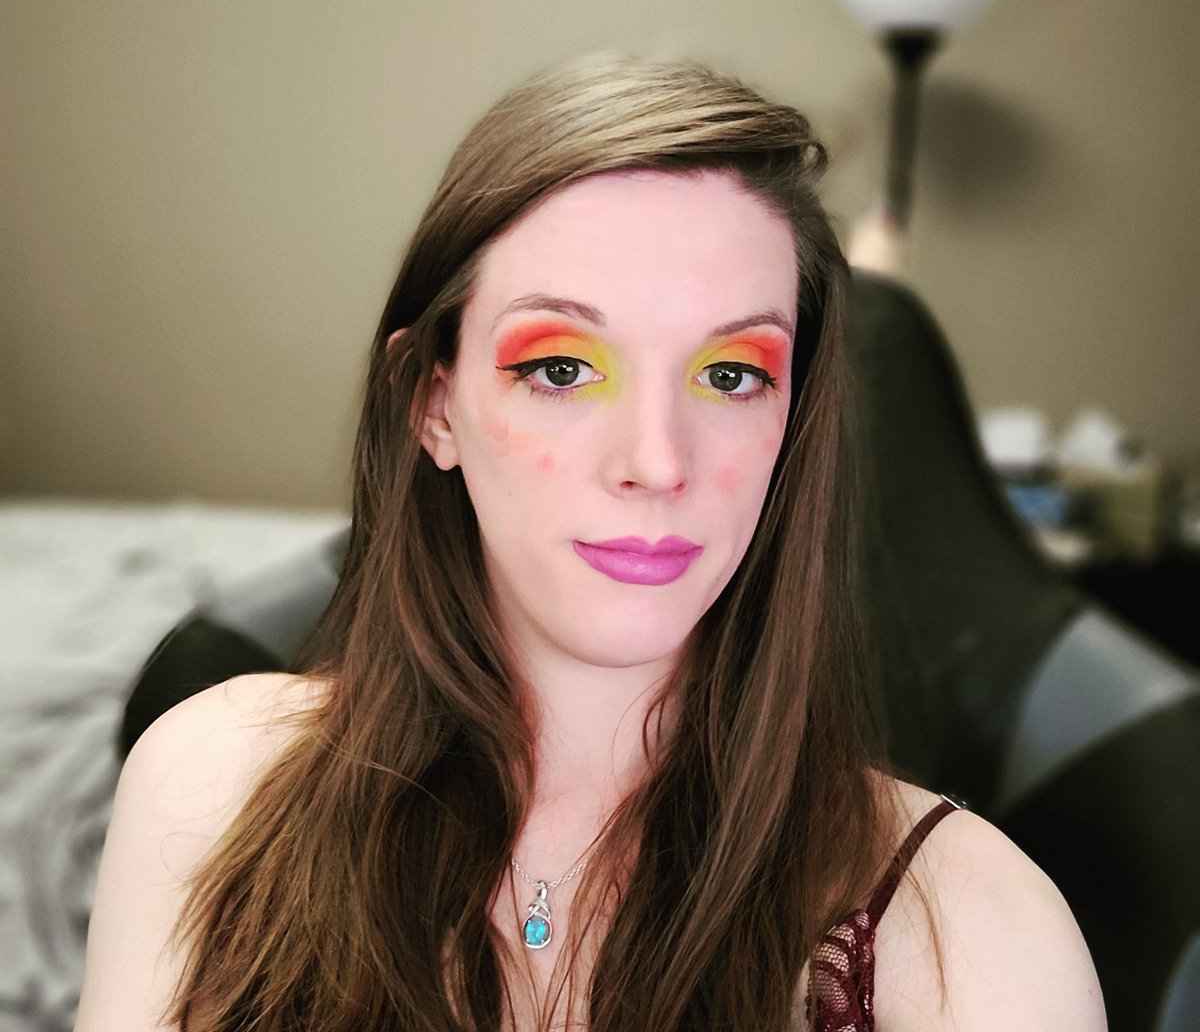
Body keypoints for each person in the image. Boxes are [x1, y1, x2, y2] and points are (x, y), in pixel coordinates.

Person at [75, 55, 1106, 1031]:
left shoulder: (978, 935)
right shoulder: (204, 789)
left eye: (730, 376)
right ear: (431, 402)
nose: (656, 460)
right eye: (563, 368)